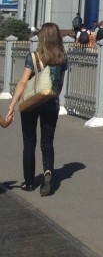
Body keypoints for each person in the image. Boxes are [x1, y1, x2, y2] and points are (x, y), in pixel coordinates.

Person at [5, 23, 68, 196]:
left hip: (31, 103)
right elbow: (60, 85)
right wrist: (52, 96)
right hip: (50, 103)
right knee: (47, 141)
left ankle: (29, 182)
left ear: (41, 38)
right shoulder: (62, 58)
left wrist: (12, 106)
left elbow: (23, 82)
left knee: (29, 142)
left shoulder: (32, 57)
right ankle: (48, 172)